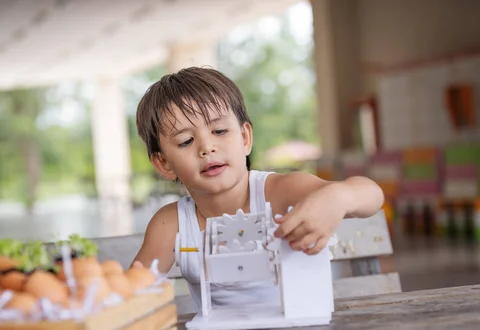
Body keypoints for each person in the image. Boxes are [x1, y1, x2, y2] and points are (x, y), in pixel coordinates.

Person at [130, 66, 384, 309]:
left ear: (245, 138)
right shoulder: (170, 225)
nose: (206, 148)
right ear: (164, 164)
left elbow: (372, 195)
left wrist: (337, 197)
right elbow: (131, 293)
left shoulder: (281, 192)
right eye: (185, 141)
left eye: (219, 130)